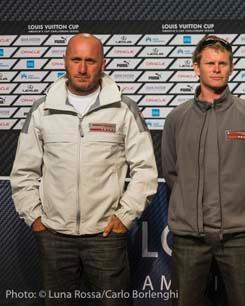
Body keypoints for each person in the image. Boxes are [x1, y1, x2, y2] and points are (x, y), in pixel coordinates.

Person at [10, 33, 158, 306]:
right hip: (54, 236)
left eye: (90, 61)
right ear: (64, 61)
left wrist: (124, 217)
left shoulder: (124, 109)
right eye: (75, 59)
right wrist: (35, 218)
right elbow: (23, 171)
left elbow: (146, 171)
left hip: (106, 237)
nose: (82, 68)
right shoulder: (42, 110)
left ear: (103, 63)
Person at [161, 35, 245, 306]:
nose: (216, 68)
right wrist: (191, 207)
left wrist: (242, 206)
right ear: (196, 67)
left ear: (231, 68)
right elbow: (171, 172)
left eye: (222, 63)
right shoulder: (176, 118)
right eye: (210, 63)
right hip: (189, 237)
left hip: (238, 236)